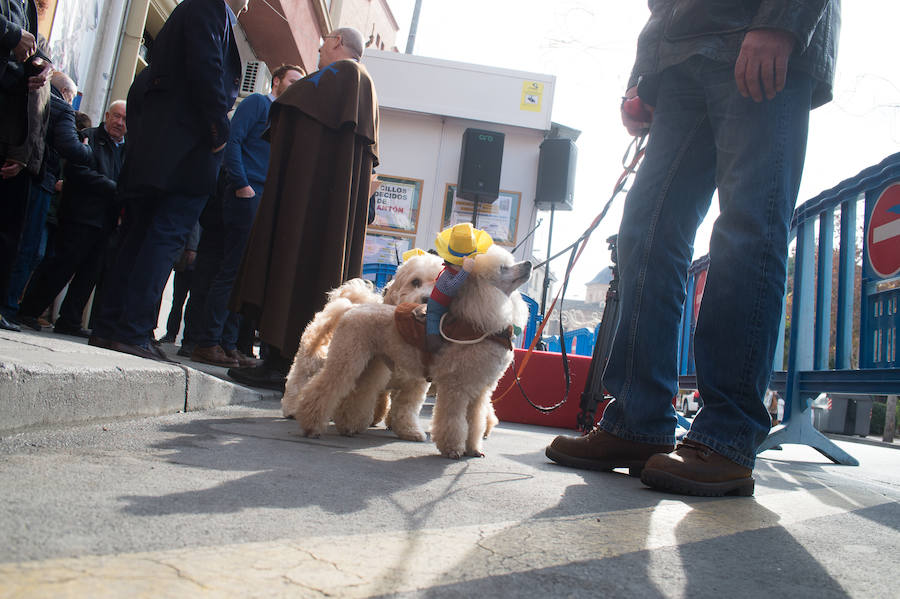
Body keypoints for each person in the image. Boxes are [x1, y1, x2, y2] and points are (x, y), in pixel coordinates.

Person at [546, 1, 840, 497]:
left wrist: (781, 20)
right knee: (646, 232)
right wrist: (646, 73)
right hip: (682, 52)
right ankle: (636, 422)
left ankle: (726, 437)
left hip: (759, 26)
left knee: (746, 231)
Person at [89, 0, 244, 361]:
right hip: (185, 154)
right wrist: (219, 129)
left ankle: (111, 327)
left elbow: (143, 88)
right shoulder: (209, 9)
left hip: (159, 155)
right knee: (162, 236)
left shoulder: (188, 18)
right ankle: (130, 330)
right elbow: (206, 71)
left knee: (138, 236)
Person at [227, 27, 379, 390]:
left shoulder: (344, 74)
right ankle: (282, 362)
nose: (320, 49)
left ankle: (279, 363)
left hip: (309, 205)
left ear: (339, 44)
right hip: (322, 206)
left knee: (294, 267)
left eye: (325, 43)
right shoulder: (362, 85)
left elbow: (288, 99)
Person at [190, 63, 304, 368]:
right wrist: (241, 185)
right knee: (232, 270)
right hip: (247, 194)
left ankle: (229, 345)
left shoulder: (285, 117)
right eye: (292, 80)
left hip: (263, 199)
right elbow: (234, 141)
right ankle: (208, 342)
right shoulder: (257, 103)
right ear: (277, 80)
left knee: (245, 274)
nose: (295, 86)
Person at [17, 100, 127, 337]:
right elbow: (77, 172)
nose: (119, 123)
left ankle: (70, 320)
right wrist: (113, 188)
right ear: (107, 115)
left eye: (125, 119)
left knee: (89, 274)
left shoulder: (128, 151)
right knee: (60, 266)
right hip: (80, 216)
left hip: (106, 222)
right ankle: (29, 310)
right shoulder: (88, 137)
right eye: (116, 116)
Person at [3, 71, 93, 323]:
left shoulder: (24, 93)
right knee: (28, 249)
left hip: (19, 171)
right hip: (40, 179)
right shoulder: (62, 109)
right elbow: (71, 147)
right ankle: (9, 307)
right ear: (65, 94)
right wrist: (85, 147)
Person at [0, 0, 51, 331]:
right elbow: (16, 39)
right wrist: (12, 34)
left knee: (7, 233)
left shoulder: (29, 8)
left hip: (11, 132)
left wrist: (40, 68)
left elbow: (34, 51)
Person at [425, 223, 492, 354]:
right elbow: (451, 288)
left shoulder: (458, 272)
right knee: (432, 319)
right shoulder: (448, 275)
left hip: (451, 307)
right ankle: (432, 340)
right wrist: (465, 271)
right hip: (437, 306)